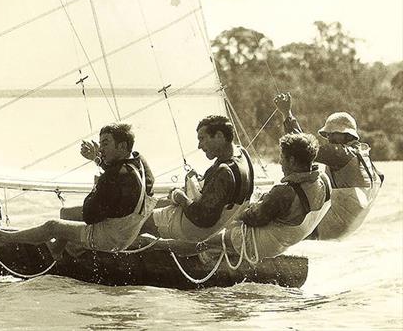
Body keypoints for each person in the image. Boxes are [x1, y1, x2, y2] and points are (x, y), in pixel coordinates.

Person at [0, 123, 155, 257]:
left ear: (122, 146)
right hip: (127, 231)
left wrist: (97, 187)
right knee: (66, 213)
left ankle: (1, 238)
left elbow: (90, 215)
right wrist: (98, 161)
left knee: (53, 226)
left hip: (110, 238)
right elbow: (136, 182)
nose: (101, 150)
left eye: (106, 144)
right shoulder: (138, 163)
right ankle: (59, 251)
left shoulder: (111, 177)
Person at [152, 132, 331, 260]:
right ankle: (221, 256)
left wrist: (238, 212)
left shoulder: (283, 192)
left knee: (203, 240)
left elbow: (253, 218)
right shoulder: (322, 182)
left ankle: (154, 249)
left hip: (263, 243)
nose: (281, 162)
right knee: (222, 235)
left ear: (292, 160)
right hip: (285, 241)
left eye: (282, 158)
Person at [273, 92, 382, 239]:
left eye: (333, 133)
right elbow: (380, 177)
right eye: (327, 134)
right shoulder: (362, 153)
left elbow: (300, 146)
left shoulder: (341, 153)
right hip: (347, 226)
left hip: (332, 225)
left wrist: (287, 113)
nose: (329, 137)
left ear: (348, 135)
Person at [140, 115, 254, 242]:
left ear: (220, 136)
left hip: (193, 227)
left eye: (202, 139)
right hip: (211, 222)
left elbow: (203, 218)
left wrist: (180, 197)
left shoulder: (224, 172)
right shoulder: (242, 154)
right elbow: (226, 194)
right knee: (149, 206)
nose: (199, 146)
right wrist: (201, 181)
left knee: (137, 222)